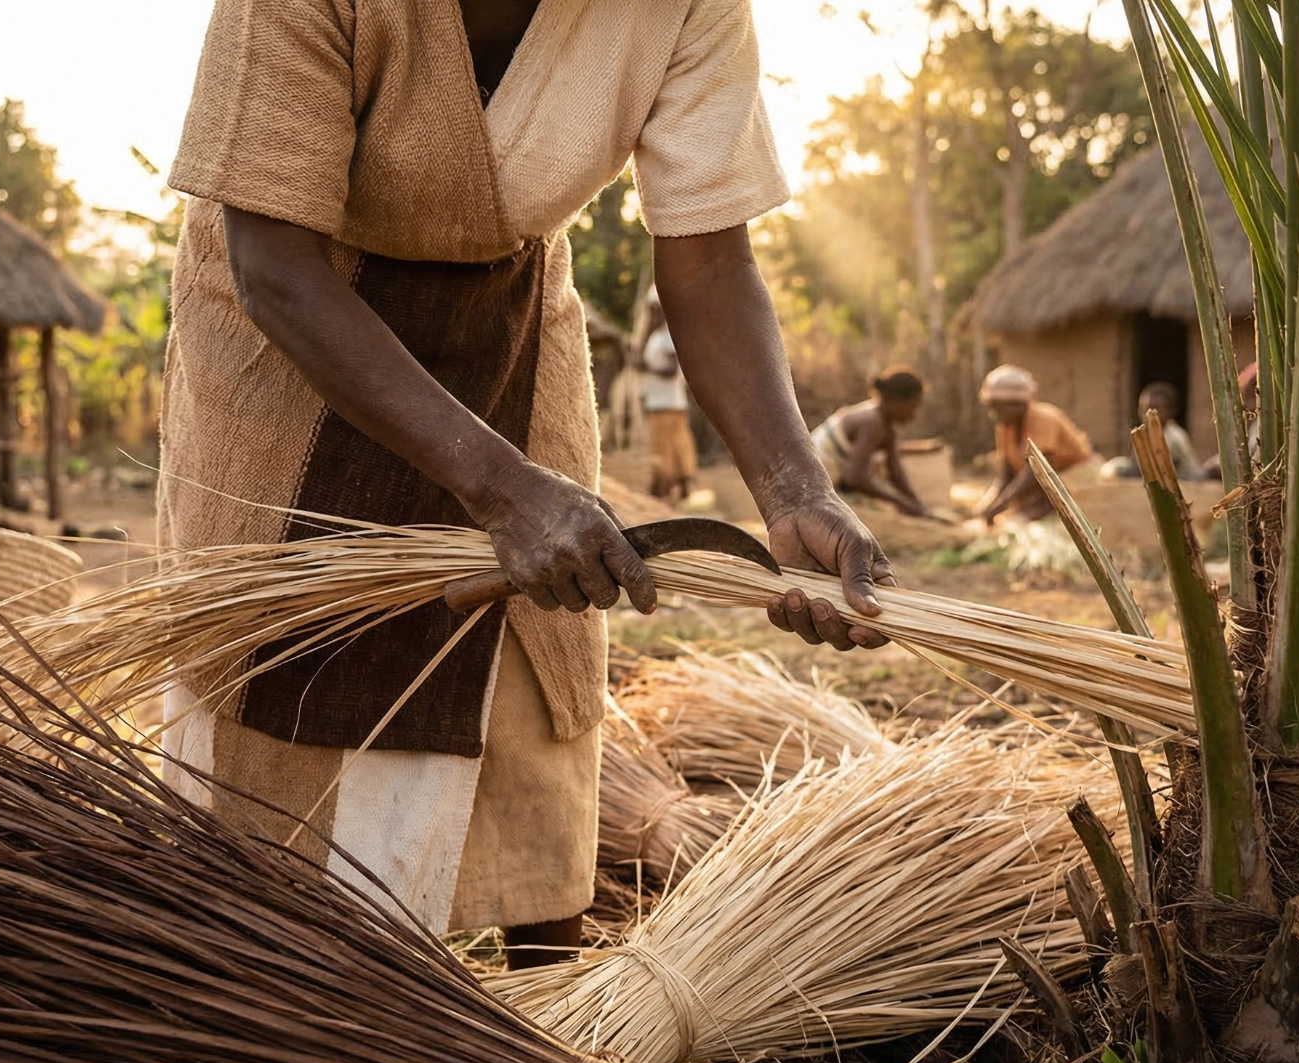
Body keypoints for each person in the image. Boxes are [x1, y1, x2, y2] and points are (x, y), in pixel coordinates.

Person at [157, 0, 894, 969]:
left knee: (536, 673)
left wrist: (795, 490)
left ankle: (547, 1023)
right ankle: (270, 987)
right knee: (283, 677)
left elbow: (710, 258)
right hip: (291, 332)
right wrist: (503, 492)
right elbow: (273, 263)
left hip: (510, 321)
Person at [976, 366, 1093, 524]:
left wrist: (1000, 505)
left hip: (1072, 480)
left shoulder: (1045, 418)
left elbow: (1036, 472)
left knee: (1028, 517)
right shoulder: (1005, 427)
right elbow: (1005, 475)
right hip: (1041, 486)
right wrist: (986, 505)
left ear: (1017, 405)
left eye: (998, 408)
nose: (993, 414)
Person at [811, 368, 934, 517]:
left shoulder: (886, 427)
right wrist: (900, 502)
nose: (914, 414)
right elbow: (855, 477)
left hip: (828, 482)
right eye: (913, 406)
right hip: (810, 485)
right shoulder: (872, 423)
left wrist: (917, 505)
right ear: (897, 401)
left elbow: (896, 473)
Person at [640, 295, 698, 501]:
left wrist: (648, 368)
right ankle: (669, 486)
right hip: (661, 401)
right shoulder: (657, 337)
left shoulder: (667, 336)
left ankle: (665, 487)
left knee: (667, 446)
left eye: (655, 311)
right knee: (670, 445)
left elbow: (672, 369)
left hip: (668, 402)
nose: (652, 316)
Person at [1099, 382, 1203, 481]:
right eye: (1143, 409)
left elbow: (1159, 466)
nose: (1146, 414)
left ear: (1170, 411)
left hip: (1184, 478)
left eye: (1154, 408)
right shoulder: (1145, 434)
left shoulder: (1173, 436)